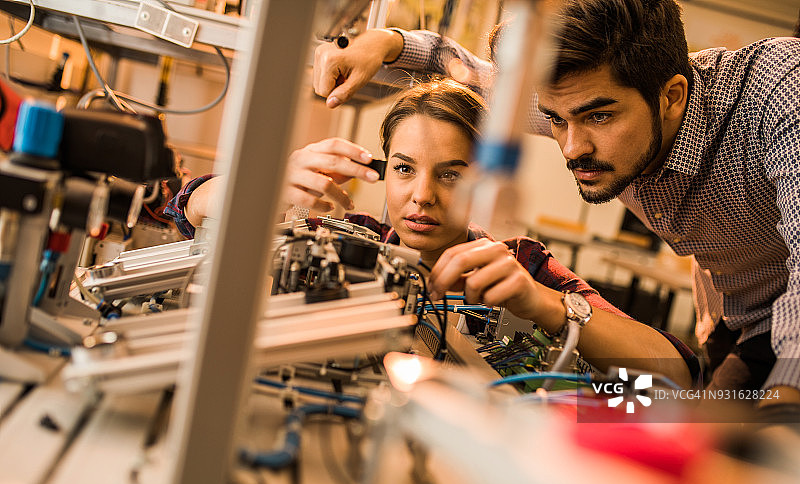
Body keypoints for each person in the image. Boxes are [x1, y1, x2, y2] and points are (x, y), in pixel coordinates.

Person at [311, 0, 800, 408]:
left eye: (599, 117)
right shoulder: (584, 103)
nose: (571, 148)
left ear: (671, 96)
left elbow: (676, 371)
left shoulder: (778, 93)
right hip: (742, 312)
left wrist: (785, 402)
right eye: (555, 120)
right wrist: (390, 43)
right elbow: (466, 74)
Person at [166, 79, 698, 387]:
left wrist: (546, 305)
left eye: (450, 174)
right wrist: (263, 184)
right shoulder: (345, 237)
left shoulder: (519, 264)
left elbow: (676, 374)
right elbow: (185, 208)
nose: (422, 195)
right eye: (403, 169)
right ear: (381, 170)